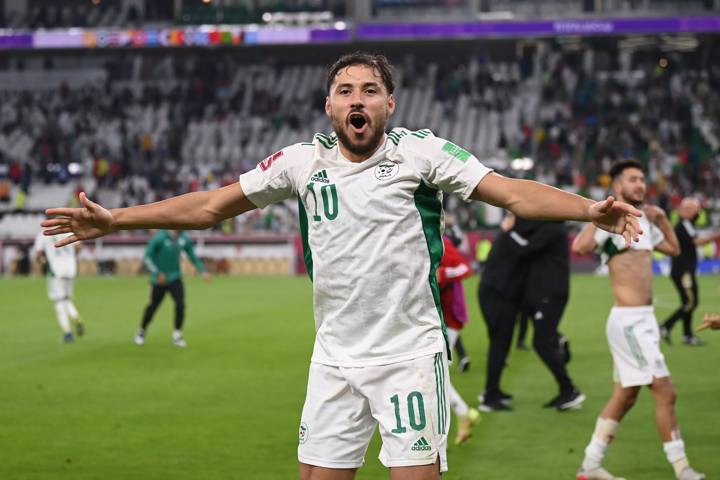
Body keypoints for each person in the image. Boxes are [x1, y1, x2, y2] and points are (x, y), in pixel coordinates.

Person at [42, 52, 642, 480]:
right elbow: (209, 206)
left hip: (408, 354)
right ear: (329, 104)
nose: (358, 100)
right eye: (346, 91)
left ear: (389, 103)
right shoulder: (300, 162)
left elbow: (510, 191)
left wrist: (591, 207)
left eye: (370, 90)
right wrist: (117, 219)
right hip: (333, 358)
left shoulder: (419, 154)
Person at [572, 160, 704, 480]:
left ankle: (589, 465)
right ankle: (682, 468)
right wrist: (600, 214)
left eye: (643, 179)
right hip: (628, 321)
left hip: (645, 320)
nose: (641, 184)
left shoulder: (645, 220)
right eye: (633, 179)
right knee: (665, 391)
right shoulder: (611, 221)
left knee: (626, 394)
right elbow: (579, 246)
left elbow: (672, 249)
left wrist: (660, 218)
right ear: (618, 186)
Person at [513, 215, 584, 411]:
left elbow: (524, 249)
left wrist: (509, 231)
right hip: (547, 291)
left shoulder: (552, 229)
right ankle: (565, 388)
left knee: (541, 342)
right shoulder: (552, 228)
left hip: (550, 292)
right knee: (545, 337)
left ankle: (569, 390)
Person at [437, 233, 480, 445]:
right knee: (437, 372)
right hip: (435, 317)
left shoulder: (440, 242)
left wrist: (442, 274)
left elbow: (465, 268)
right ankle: (463, 413)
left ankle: (463, 413)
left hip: (449, 317)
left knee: (436, 373)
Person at [660, 197, 720, 346]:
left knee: (688, 302)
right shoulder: (684, 224)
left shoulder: (687, 224)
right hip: (683, 271)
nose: (696, 212)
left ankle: (687, 335)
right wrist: (716, 235)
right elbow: (698, 242)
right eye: (693, 209)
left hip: (684, 270)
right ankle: (666, 325)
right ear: (684, 210)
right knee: (691, 302)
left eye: (696, 209)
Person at [135, 229, 209, 348]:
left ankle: (177, 335)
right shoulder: (159, 237)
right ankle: (142, 331)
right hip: (160, 280)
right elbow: (147, 257)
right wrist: (157, 273)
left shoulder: (184, 238)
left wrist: (202, 270)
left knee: (180, 305)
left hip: (175, 277)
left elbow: (192, 255)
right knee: (153, 306)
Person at [33, 230, 84, 343]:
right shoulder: (68, 229)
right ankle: (76, 317)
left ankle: (68, 333)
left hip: (56, 270)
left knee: (58, 301)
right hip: (71, 268)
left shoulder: (43, 233)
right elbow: (79, 247)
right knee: (66, 298)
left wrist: (43, 261)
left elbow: (38, 254)